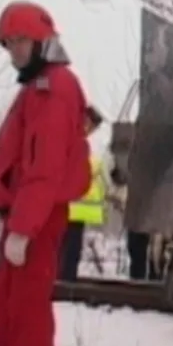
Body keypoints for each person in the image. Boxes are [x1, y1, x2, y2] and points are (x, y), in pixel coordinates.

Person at [0, 1, 90, 346]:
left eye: (20, 42)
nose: (14, 52)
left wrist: (24, 228)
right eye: (9, 44)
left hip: (36, 216)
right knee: (5, 299)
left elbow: (44, 167)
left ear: (41, 40)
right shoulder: (40, 87)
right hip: (26, 213)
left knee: (25, 302)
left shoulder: (53, 88)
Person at [58, 106, 108, 283]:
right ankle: (63, 282)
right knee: (68, 248)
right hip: (67, 207)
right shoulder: (72, 140)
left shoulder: (73, 140)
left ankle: (63, 281)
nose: (92, 131)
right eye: (92, 126)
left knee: (68, 248)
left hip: (71, 209)